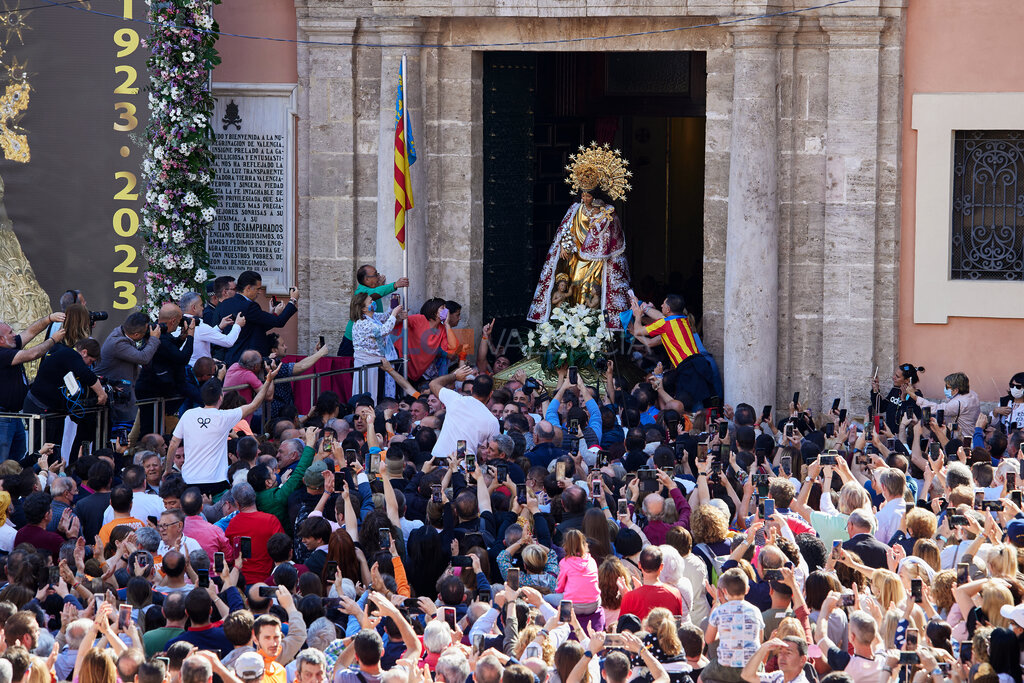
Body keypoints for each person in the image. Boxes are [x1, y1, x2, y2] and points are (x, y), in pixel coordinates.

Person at [528, 142, 632, 328]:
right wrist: (565, 246)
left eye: (588, 196)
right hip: (576, 257)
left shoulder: (607, 211)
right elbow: (565, 230)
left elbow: (612, 236)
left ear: (596, 195)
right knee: (574, 285)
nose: (585, 199)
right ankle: (572, 319)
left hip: (598, 260)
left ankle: (590, 322)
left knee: (592, 290)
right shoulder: (575, 208)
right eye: (583, 195)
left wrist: (600, 223)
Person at [165, 366, 279, 494]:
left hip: (191, 481)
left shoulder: (188, 415)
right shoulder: (224, 417)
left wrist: (167, 470)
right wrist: (268, 381)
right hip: (216, 482)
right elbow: (254, 405)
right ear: (221, 397)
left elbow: (173, 444)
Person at [0, 310, 65, 462]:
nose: (14, 334)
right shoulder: (2, 354)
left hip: (15, 416)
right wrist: (53, 340)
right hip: (3, 419)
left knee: (17, 461)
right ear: (1, 340)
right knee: (3, 462)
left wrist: (49, 319)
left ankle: (14, 485)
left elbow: (30, 331)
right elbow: (32, 354)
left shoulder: (10, 345)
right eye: (10, 332)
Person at [93, 312, 162, 438]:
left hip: (122, 396)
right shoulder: (117, 343)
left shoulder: (122, 333)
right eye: (145, 331)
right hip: (116, 400)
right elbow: (143, 357)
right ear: (136, 334)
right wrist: (154, 339)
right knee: (121, 441)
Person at [214, 270, 299, 366]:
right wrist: (293, 300)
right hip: (248, 362)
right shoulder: (249, 306)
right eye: (257, 289)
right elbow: (279, 322)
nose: (259, 292)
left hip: (231, 359)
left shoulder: (225, 304)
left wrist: (273, 314)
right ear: (248, 288)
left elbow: (254, 328)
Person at [429, 364, 499, 458]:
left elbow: (433, 384)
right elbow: (494, 450)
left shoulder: (455, 399)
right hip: (467, 465)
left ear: (472, 389)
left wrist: (454, 376)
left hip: (439, 458)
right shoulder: (492, 421)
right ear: (491, 394)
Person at [340, 264, 408, 356]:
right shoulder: (362, 293)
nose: (378, 277)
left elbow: (383, 316)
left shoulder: (373, 310)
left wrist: (395, 313)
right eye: (376, 275)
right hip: (352, 341)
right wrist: (395, 285)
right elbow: (375, 293)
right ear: (367, 279)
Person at [350, 292, 404, 400]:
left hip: (376, 361)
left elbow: (385, 316)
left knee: (377, 391)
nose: (373, 303)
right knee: (368, 393)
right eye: (370, 302)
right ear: (363, 309)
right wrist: (394, 314)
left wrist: (392, 306)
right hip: (367, 363)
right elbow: (384, 330)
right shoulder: (362, 323)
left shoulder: (373, 317)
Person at [400, 298, 457, 383]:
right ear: (433, 310)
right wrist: (400, 316)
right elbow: (400, 323)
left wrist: (447, 324)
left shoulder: (442, 329)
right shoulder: (419, 319)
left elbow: (452, 350)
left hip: (420, 371)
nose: (446, 310)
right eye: (442, 308)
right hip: (404, 364)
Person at [180, 291, 244, 365]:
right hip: (200, 371)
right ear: (194, 308)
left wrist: (219, 327)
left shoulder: (178, 324)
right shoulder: (199, 326)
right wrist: (237, 325)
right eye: (201, 305)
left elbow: (201, 336)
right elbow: (228, 341)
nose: (203, 308)